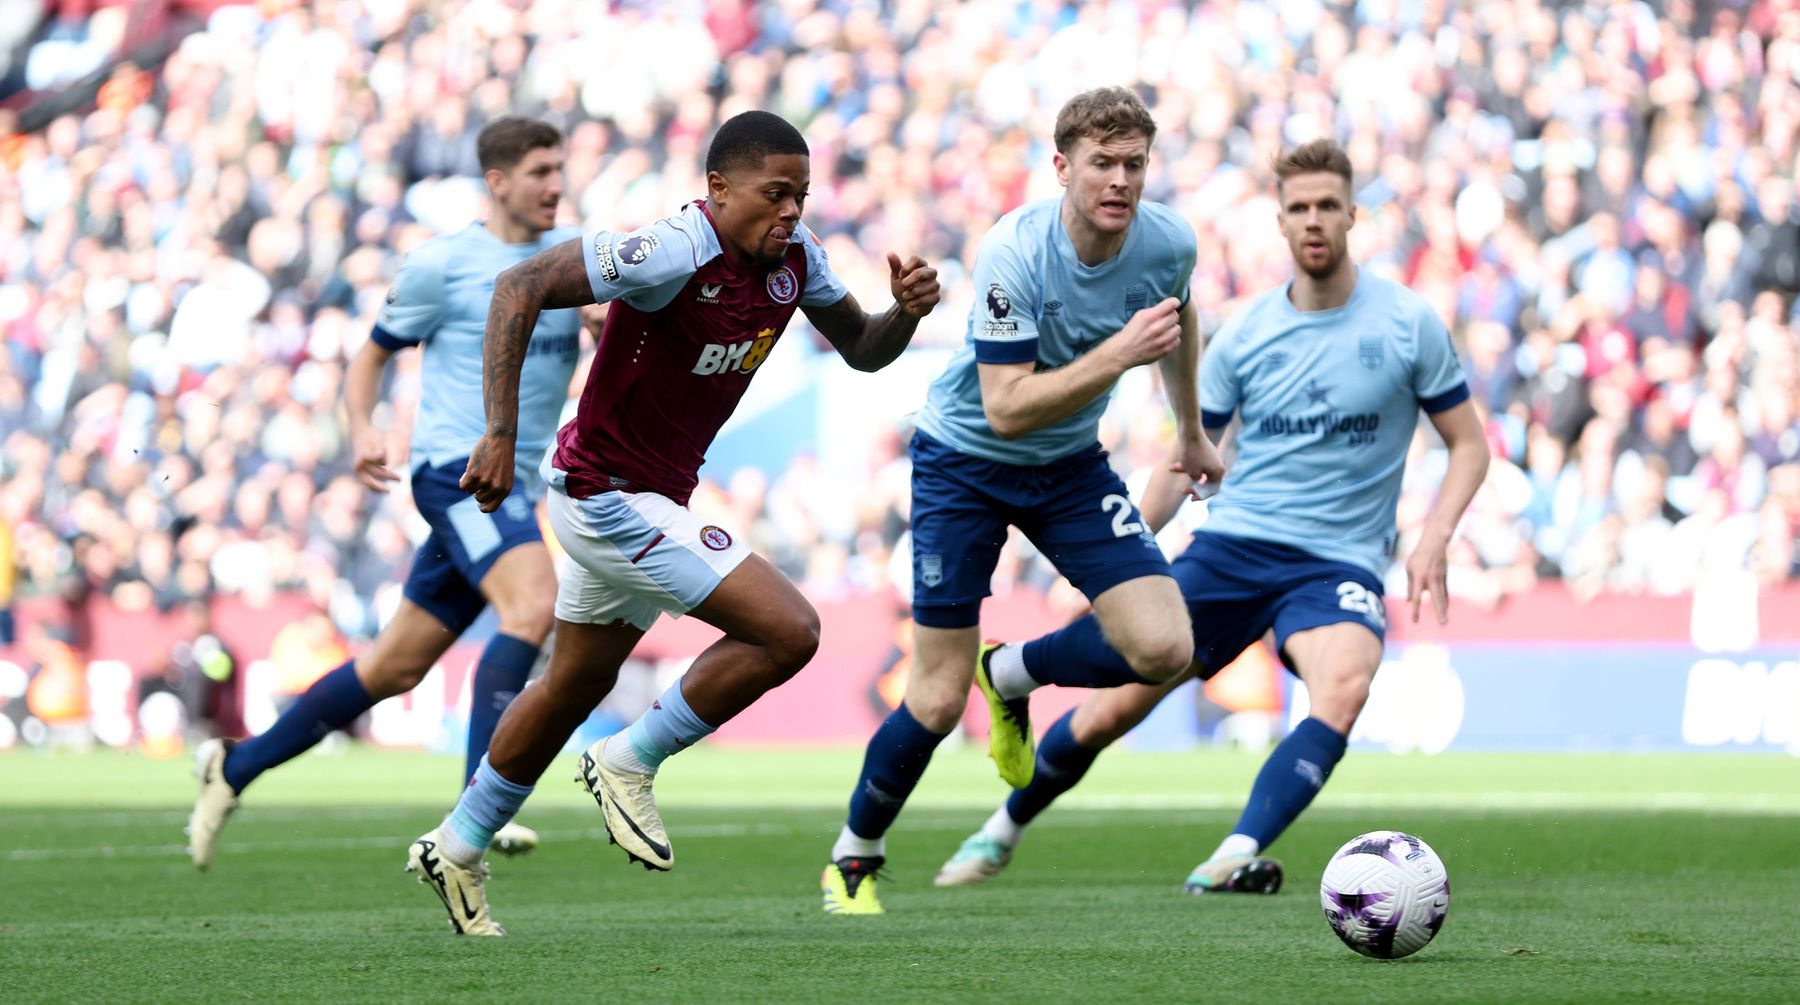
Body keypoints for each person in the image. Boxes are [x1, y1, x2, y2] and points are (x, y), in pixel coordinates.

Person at [405, 109, 940, 936]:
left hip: (644, 496)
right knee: (790, 630)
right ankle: (629, 757)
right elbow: (520, 287)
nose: (791, 211)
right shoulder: (669, 250)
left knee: (570, 685)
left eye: (801, 195)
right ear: (719, 189)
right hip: (606, 493)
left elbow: (865, 348)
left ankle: (459, 841)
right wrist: (501, 432)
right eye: (774, 194)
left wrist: (903, 313)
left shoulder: (797, 260)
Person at [933, 139, 1491, 896]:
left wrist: (1433, 536)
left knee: (1347, 684)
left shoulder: (1407, 323)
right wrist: (1118, 554)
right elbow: (1186, 458)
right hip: (1233, 544)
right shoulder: (1247, 333)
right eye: (1300, 208)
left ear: (1353, 214)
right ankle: (1002, 817)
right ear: (1281, 222)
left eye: (1329, 205)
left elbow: (1467, 445)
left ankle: (1233, 853)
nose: (1315, 220)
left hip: (1339, 561)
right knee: (1108, 715)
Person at [821, 86, 1225, 916]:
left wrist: (1188, 430)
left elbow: (1180, 314)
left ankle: (1009, 672)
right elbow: (1006, 405)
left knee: (1166, 649)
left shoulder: (1168, 241)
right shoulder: (1016, 249)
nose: (1119, 180)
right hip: (964, 460)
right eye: (1102, 163)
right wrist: (1119, 353)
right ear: (1062, 166)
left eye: (1134, 164)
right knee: (933, 700)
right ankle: (854, 855)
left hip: (1070, 465)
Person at [186, 116, 586, 869]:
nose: (555, 184)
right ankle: (480, 803)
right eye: (539, 171)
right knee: (533, 603)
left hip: (515, 487)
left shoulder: (575, 258)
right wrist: (362, 428)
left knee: (393, 668)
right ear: (497, 181)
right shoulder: (444, 264)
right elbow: (370, 358)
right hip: (455, 474)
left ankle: (233, 766)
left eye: (559, 169)